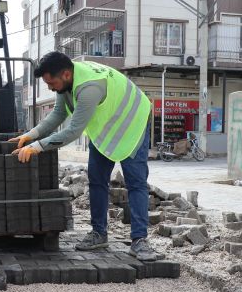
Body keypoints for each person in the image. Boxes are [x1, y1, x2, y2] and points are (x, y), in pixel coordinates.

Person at [10, 51, 159, 261]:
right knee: (97, 180)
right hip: (106, 127)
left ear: (65, 75)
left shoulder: (89, 87)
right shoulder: (67, 81)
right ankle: (99, 233)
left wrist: (37, 147)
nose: (50, 87)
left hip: (131, 122)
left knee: (136, 183)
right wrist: (30, 135)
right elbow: (58, 114)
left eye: (51, 83)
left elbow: (73, 131)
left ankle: (139, 240)